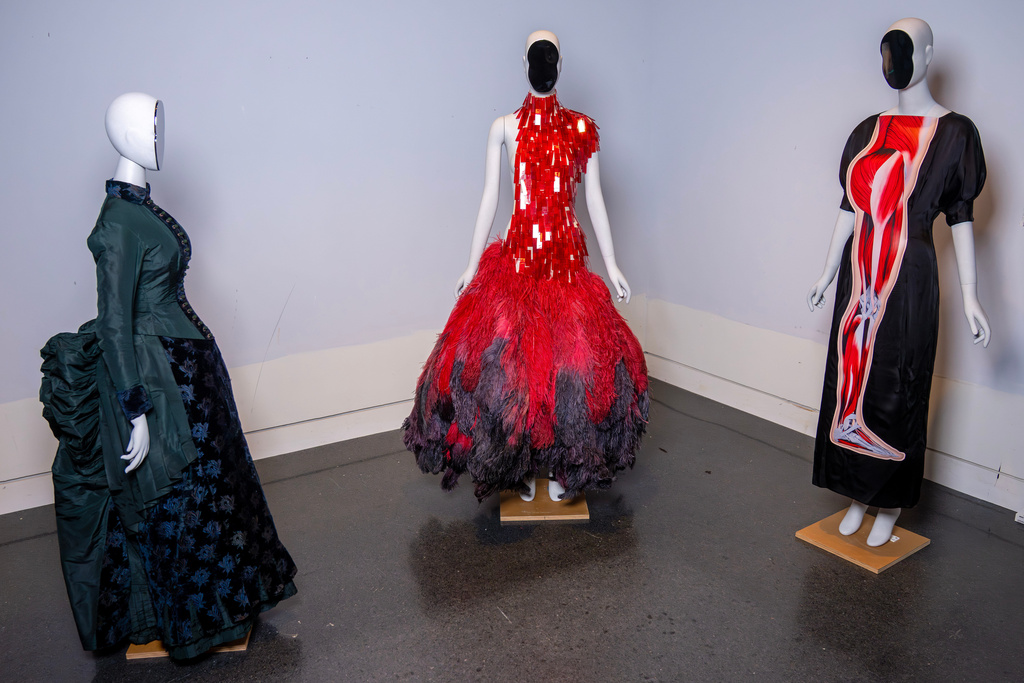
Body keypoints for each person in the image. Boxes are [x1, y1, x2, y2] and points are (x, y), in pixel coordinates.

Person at [41, 92, 296, 659]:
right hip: (161, 382)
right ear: (124, 133)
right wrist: (136, 411)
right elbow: (113, 326)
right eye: (149, 126)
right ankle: (193, 622)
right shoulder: (115, 225)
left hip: (186, 372)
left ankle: (225, 613)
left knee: (215, 491)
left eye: (159, 124)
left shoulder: (137, 206)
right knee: (180, 500)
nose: (159, 136)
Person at [403, 31, 649, 503]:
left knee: (568, 369)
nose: (542, 61)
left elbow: (593, 198)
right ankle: (513, 464)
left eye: (547, 54)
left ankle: (563, 466)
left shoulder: (580, 128)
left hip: (566, 267)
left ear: (556, 64)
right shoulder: (504, 127)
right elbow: (491, 196)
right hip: (517, 263)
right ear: (526, 63)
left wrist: (612, 263)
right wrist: (472, 263)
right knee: (510, 369)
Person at [807, 19, 990, 546]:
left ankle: (889, 505)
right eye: (888, 52)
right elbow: (849, 207)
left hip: (908, 279)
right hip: (858, 270)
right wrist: (826, 271)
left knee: (897, 387)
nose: (893, 62)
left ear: (927, 55)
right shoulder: (868, 129)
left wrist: (972, 296)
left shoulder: (956, 133)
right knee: (850, 378)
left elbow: (960, 216)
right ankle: (856, 494)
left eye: (904, 51)